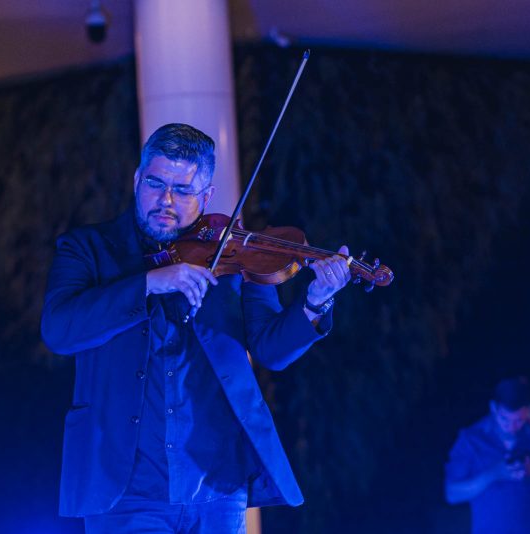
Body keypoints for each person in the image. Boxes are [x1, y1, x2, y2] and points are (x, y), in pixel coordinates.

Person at [41, 123, 352, 533]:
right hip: (124, 491)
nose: (165, 200)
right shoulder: (88, 249)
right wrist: (148, 283)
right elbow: (60, 329)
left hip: (218, 487)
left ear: (206, 197)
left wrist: (314, 302)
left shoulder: (235, 254)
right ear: (137, 179)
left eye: (184, 191)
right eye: (155, 183)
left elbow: (270, 350)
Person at [445, 377, 530, 534]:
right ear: (493, 408)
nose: (511, 428)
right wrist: (492, 474)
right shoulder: (470, 440)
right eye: (504, 419)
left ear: (528, 411)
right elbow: (452, 494)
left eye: (519, 421)